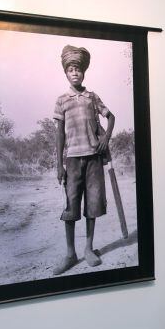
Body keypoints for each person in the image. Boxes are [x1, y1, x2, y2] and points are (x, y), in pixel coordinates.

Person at [52, 45, 115, 276]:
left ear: (84, 71)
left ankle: (89, 249)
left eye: (78, 68)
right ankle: (71, 254)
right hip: (72, 161)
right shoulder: (61, 100)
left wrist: (105, 138)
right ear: (66, 73)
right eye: (70, 69)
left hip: (94, 160)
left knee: (93, 205)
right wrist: (59, 164)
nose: (75, 72)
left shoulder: (92, 97)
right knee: (71, 207)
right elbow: (59, 134)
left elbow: (111, 117)